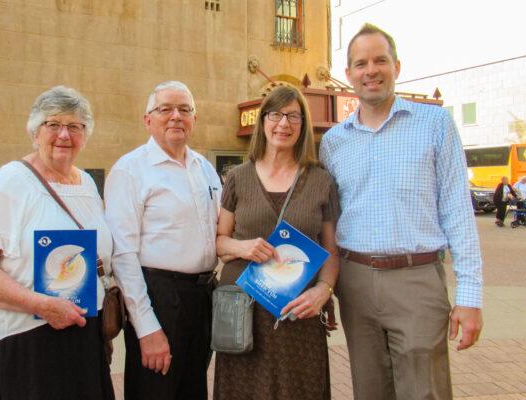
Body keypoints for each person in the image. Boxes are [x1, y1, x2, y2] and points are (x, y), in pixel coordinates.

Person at [320, 24, 483, 400]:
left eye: (380, 60)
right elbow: (329, 220)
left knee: (424, 391)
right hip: (355, 283)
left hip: (417, 281)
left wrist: (470, 296)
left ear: (397, 66)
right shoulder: (334, 142)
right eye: (360, 63)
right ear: (349, 75)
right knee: (370, 390)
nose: (371, 70)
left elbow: (458, 211)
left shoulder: (435, 124)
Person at [0, 86, 115, 400]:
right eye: (53, 124)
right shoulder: (13, 180)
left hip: (82, 337)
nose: (63, 135)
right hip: (24, 344)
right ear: (35, 132)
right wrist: (41, 305)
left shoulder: (85, 182)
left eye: (74, 126)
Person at [213, 85, 340, 400]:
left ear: (303, 125)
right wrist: (243, 247)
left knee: (298, 389)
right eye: (275, 115)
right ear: (263, 121)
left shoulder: (321, 180)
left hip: (298, 312)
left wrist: (323, 292)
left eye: (293, 116)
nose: (284, 124)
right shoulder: (238, 178)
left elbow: (331, 251)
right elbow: (219, 241)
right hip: (245, 313)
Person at [104, 81, 221, 400]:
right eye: (165, 109)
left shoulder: (204, 169)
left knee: (193, 388)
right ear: (148, 120)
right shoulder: (130, 170)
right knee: (155, 391)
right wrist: (147, 327)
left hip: (201, 298)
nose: (175, 116)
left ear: (194, 119)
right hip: (158, 297)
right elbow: (123, 255)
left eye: (185, 109)